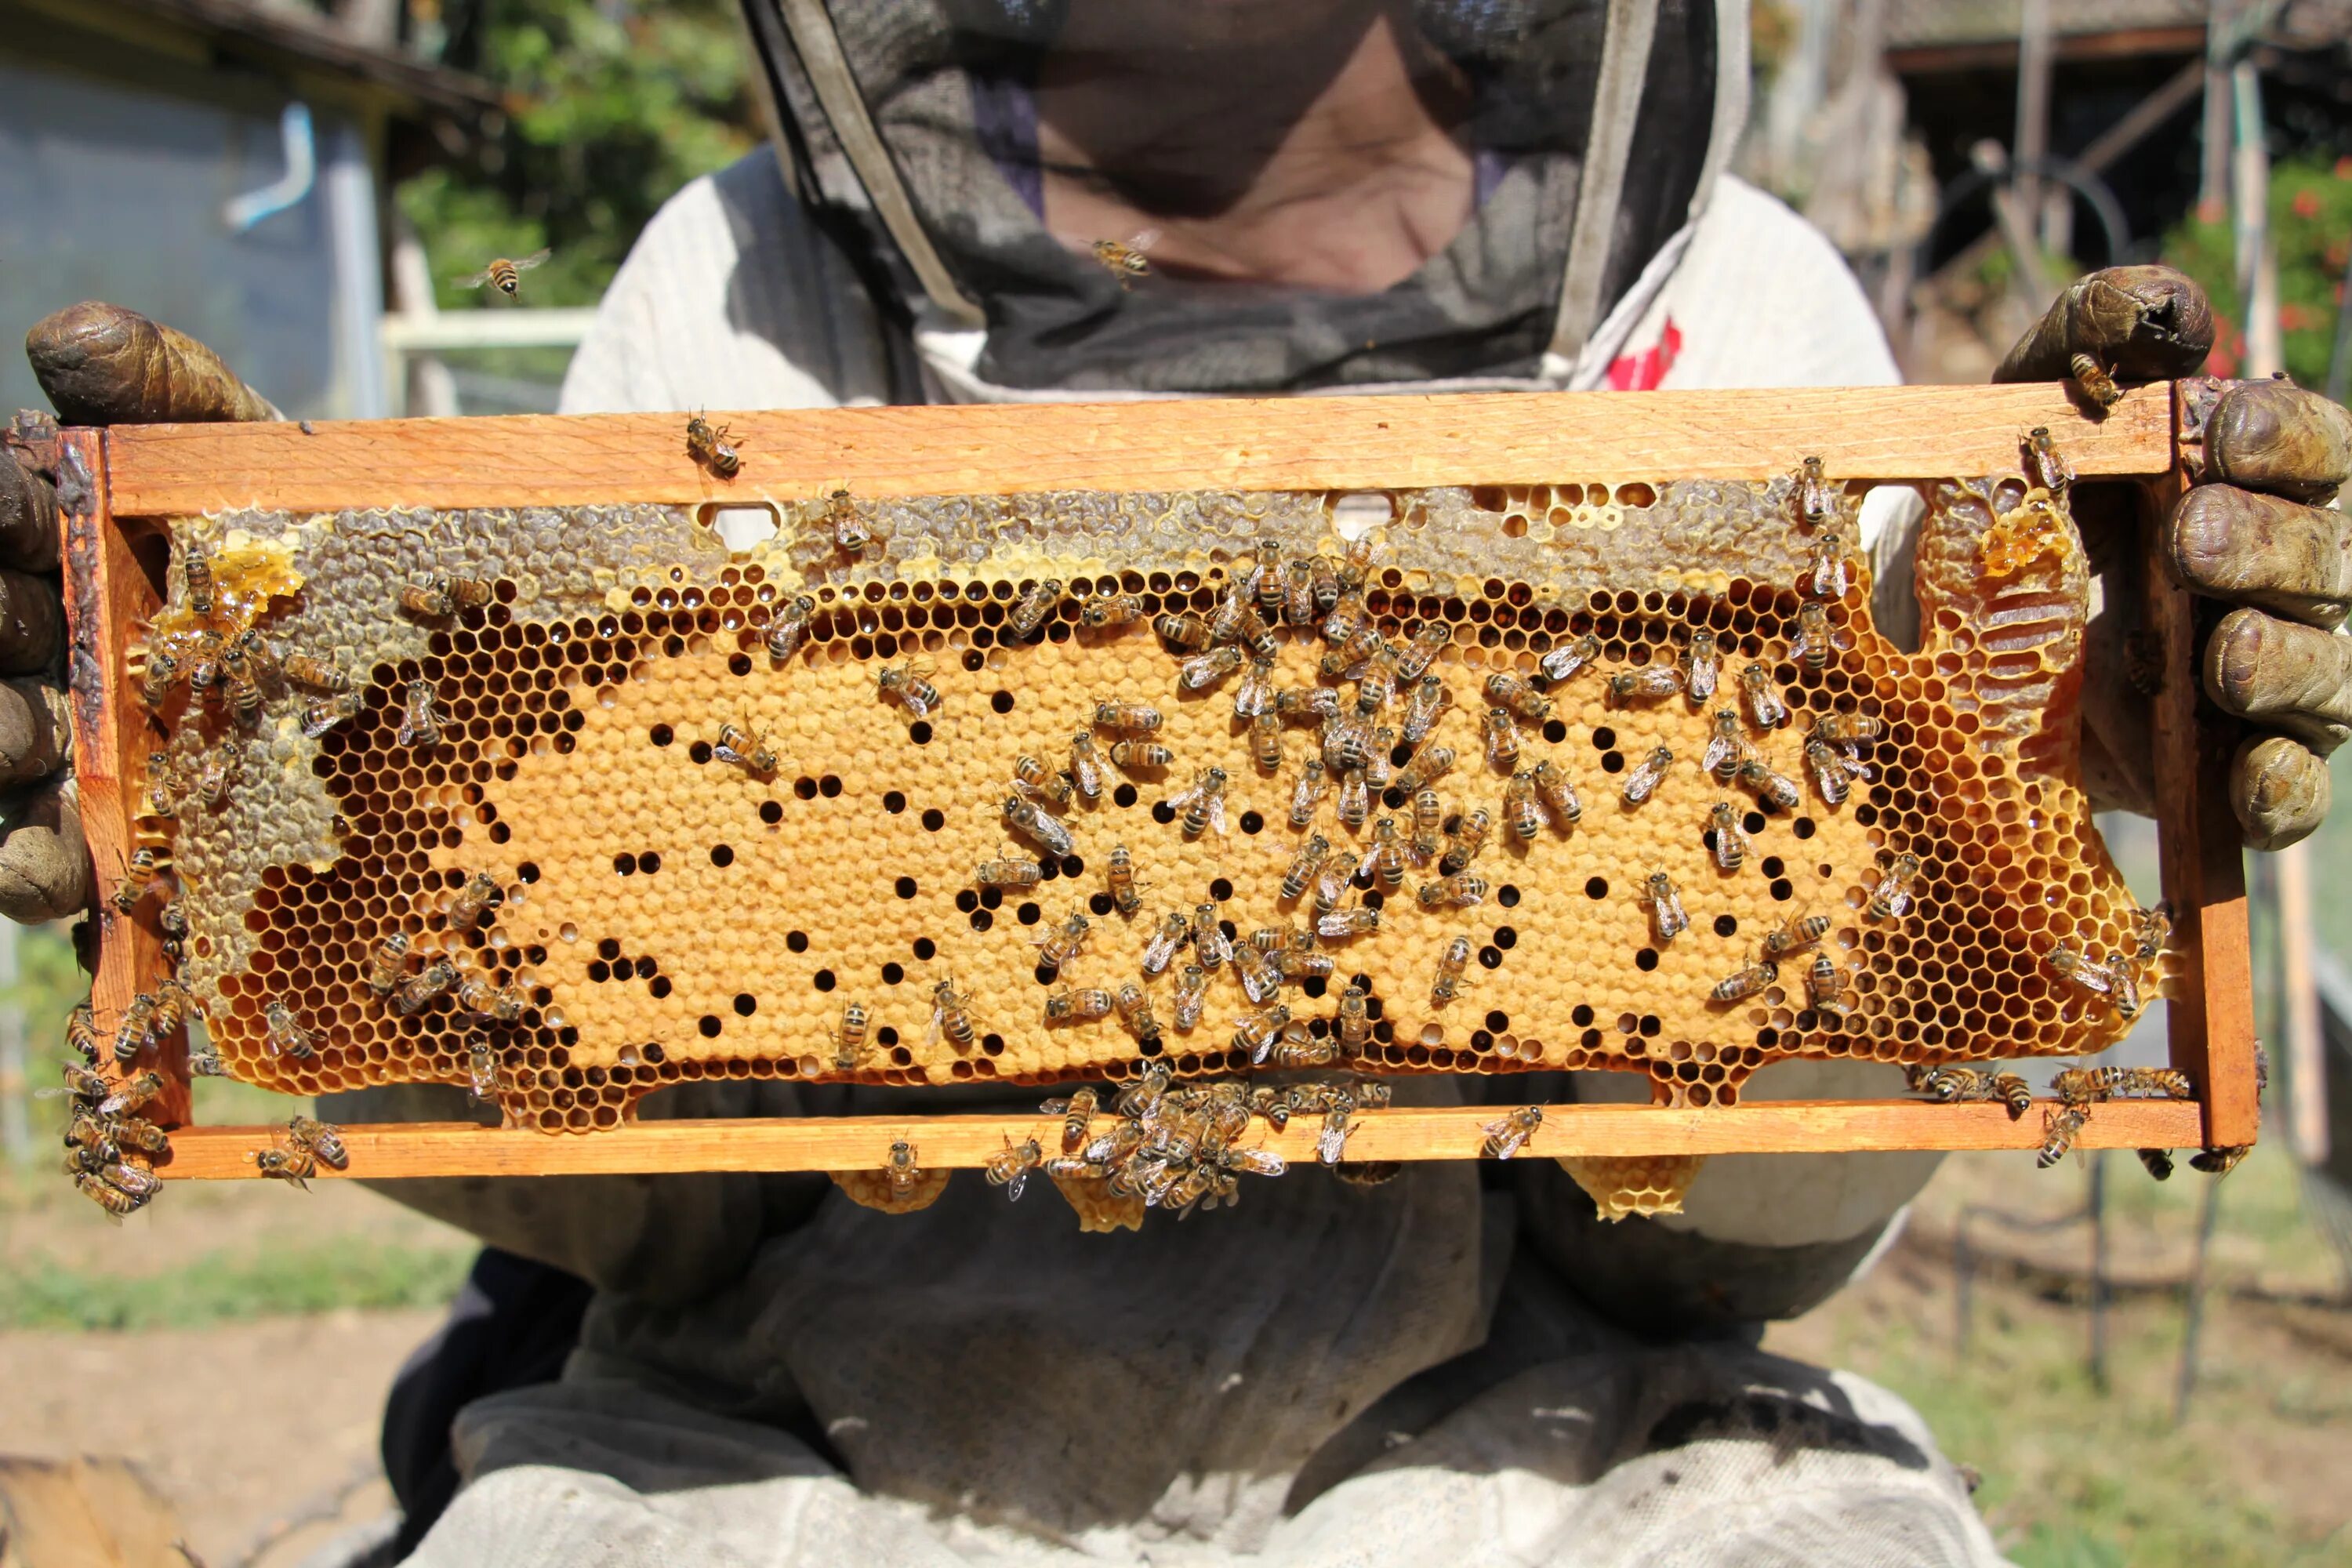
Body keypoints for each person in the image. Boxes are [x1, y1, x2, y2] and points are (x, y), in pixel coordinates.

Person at [9, 3, 2351, 1563]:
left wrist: (2012, 766)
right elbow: (657, 1192)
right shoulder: (727, 299)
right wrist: (265, 761)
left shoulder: (1735, 320)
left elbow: (1712, 1256)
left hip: (1520, 1423)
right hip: (783, 1418)